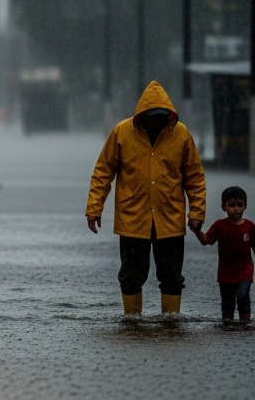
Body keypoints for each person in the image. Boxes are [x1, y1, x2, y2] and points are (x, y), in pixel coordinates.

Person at [86, 80, 206, 315]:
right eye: (152, 116)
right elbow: (103, 172)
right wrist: (94, 208)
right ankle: (132, 324)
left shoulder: (180, 134)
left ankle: (170, 324)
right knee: (130, 277)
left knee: (172, 277)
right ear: (142, 114)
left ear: (168, 115)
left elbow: (195, 178)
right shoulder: (122, 132)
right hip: (133, 220)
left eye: (161, 116)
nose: (156, 120)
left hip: (169, 220)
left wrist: (197, 212)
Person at [192, 187, 255, 322]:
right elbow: (206, 241)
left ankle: (246, 325)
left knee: (243, 296)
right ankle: (227, 329)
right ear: (223, 207)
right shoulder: (220, 225)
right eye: (231, 205)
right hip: (225, 273)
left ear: (245, 206)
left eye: (240, 205)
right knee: (227, 302)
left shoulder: (250, 226)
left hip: (245, 271)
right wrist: (197, 231)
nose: (236, 208)